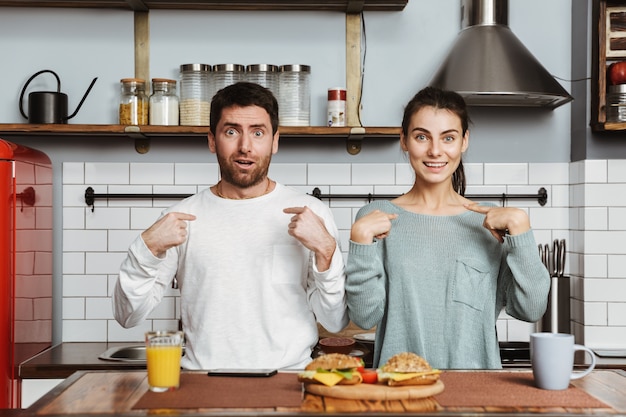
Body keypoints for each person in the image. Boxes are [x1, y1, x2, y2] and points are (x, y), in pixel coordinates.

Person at [113, 82, 348, 370]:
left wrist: (326, 250)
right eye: (231, 131)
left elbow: (335, 321)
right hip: (203, 385)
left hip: (288, 383)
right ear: (212, 140)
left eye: (258, 133)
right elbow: (127, 316)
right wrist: (145, 249)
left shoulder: (312, 215)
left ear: (275, 141)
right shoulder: (181, 217)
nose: (245, 147)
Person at [345, 86, 550, 370]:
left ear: (464, 141)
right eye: (421, 137)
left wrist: (522, 232)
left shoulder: (489, 223)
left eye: (448, 138)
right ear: (403, 140)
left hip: (475, 397)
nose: (435, 151)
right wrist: (359, 241)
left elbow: (531, 309)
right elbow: (364, 317)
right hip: (399, 389)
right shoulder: (376, 218)